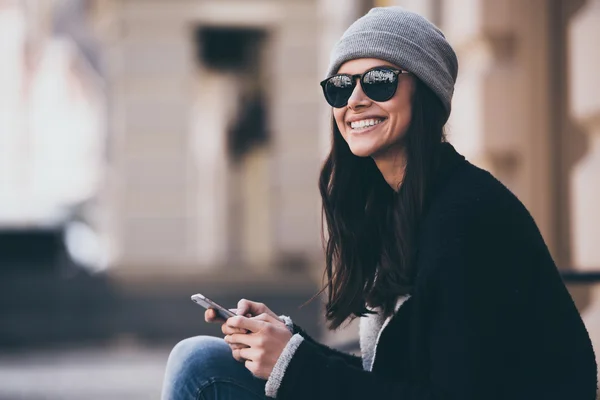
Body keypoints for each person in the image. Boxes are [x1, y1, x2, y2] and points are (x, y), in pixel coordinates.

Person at [161, 7, 597, 400]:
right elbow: (396, 380)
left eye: (379, 80)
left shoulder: (468, 218)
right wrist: (286, 342)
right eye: (340, 86)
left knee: (198, 367)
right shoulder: (400, 208)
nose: (354, 100)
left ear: (423, 91)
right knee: (202, 360)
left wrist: (294, 364)